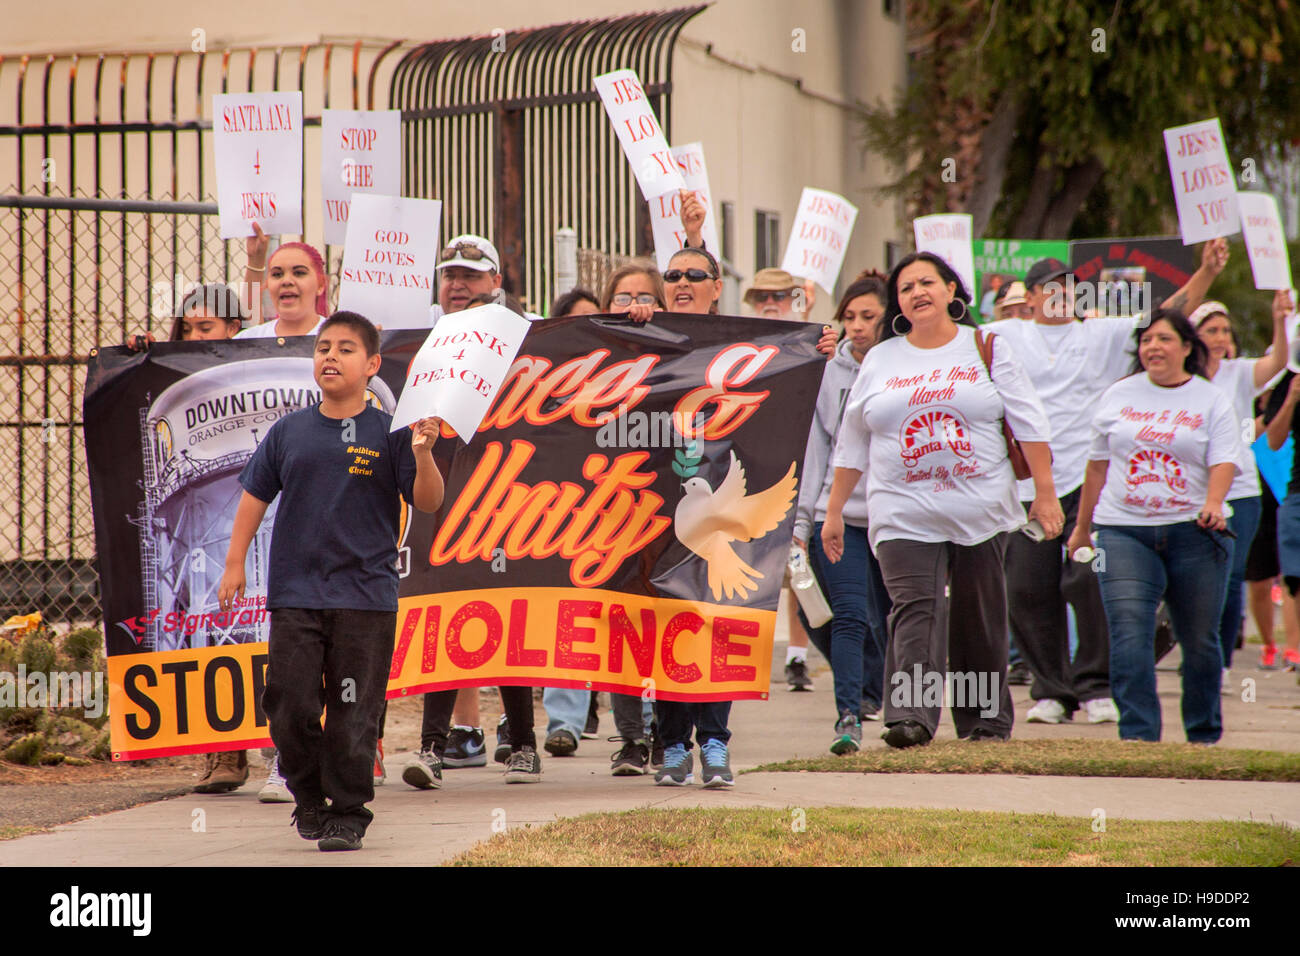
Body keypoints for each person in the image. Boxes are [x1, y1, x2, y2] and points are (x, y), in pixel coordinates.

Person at [217, 311, 445, 850]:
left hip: (365, 600)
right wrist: (233, 562)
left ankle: (348, 813)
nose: (330, 357)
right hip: (296, 596)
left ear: (371, 365)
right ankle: (309, 796)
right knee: (289, 703)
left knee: (353, 712)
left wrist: (424, 454)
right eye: (323, 347)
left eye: (345, 349)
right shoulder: (288, 432)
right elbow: (254, 496)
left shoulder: (394, 432)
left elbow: (428, 500)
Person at [985, 241, 1227, 726]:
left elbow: (1170, 312)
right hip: (1029, 486)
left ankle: (1095, 686)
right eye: (1048, 289)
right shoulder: (1002, 334)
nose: (1059, 295)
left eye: (1068, 287)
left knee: (1087, 580)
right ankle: (1051, 690)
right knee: (1028, 589)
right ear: (1029, 297)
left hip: (1087, 479)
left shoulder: (1102, 333)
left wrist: (1205, 272)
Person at [823, 252, 1059, 748]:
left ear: (953, 291)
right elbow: (851, 440)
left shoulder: (986, 347)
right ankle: (910, 717)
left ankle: (985, 721)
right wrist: (834, 512)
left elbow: (1030, 424)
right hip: (901, 510)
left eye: (927, 282)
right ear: (898, 304)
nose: (916, 293)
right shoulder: (882, 358)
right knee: (914, 608)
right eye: (905, 288)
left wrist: (1045, 493)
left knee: (980, 614)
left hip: (982, 509)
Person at [404, 234, 545, 786]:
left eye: (471, 275)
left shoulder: (530, 331)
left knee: (507, 618)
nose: (458, 284)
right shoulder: (418, 331)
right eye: (450, 275)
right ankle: (432, 748)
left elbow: (596, 340)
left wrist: (635, 312)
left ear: (496, 285)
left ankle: (524, 745)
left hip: (511, 495)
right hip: (440, 493)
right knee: (444, 616)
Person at [1067, 309, 1240, 744]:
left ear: (1186, 347)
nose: (1153, 347)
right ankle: (1138, 737)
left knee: (1199, 639)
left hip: (1195, 533)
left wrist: (1214, 504)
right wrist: (1082, 529)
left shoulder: (1210, 399)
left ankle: (1203, 735)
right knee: (1128, 631)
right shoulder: (1117, 396)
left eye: (1164, 339)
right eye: (1146, 340)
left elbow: (1224, 461)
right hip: (1122, 531)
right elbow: (1095, 468)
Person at [793, 270, 892, 753]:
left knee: (897, 619)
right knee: (843, 617)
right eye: (849, 317)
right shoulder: (828, 372)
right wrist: (803, 520)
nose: (856, 326)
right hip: (837, 517)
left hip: (900, 518)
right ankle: (849, 716)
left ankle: (901, 708)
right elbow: (815, 452)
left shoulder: (907, 365)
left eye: (868, 316)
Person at [1191, 293, 1290, 678]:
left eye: (1225, 330)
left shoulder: (1238, 373)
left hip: (1240, 492)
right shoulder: (1184, 379)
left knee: (1231, 579)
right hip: (1191, 491)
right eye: (1211, 330)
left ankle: (1221, 664)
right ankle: (1196, 655)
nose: (1220, 336)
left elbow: (1280, 362)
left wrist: (1279, 320)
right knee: (1195, 579)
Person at [238, 224, 329, 338]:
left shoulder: (340, 339)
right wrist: (255, 260)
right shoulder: (246, 340)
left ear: (320, 284)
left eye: (299, 273)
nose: (286, 281)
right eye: (277, 274)